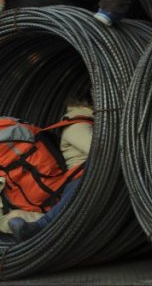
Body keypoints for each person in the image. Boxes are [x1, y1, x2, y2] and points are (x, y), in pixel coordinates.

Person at [6, 85, 93, 241]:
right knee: (82, 189)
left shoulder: (84, 122)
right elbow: (101, 151)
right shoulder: (77, 125)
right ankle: (40, 226)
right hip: (83, 176)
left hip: (87, 174)